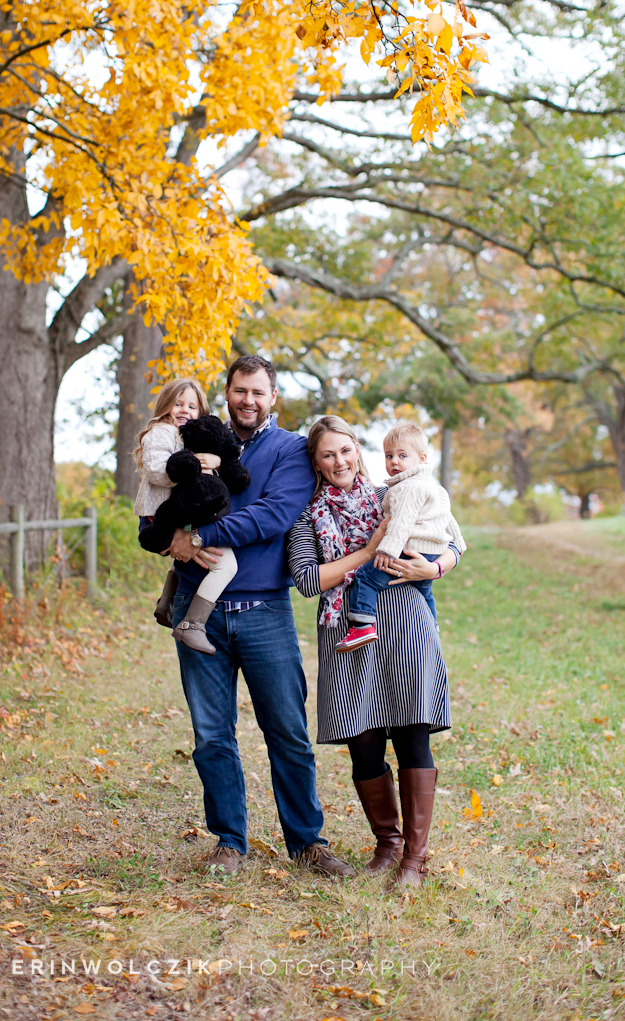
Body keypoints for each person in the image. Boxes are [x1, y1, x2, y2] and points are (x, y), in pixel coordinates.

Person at [167, 356, 354, 879]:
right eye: (239, 390)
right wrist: (167, 537)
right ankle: (229, 841)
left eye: (258, 392)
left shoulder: (292, 449)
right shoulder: (195, 439)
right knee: (211, 733)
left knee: (287, 730)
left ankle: (307, 842)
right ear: (226, 392)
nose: (248, 400)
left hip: (264, 611)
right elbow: (162, 496)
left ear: (274, 398)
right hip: (195, 606)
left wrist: (200, 535)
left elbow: (274, 514)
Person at [288, 415, 462, 889]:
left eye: (346, 450)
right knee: (362, 741)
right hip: (347, 631)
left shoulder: (399, 491)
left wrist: (436, 569)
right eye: (328, 454)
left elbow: (454, 541)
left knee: (411, 733)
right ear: (317, 463)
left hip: (406, 622)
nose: (340, 460)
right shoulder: (306, 517)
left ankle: (415, 859)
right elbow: (307, 581)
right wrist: (368, 552)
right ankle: (387, 844)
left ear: (356, 451)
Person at [335, 420, 466, 652]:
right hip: (431, 553)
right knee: (425, 591)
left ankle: (362, 626)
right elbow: (449, 522)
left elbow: (400, 523)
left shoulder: (407, 488)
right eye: (389, 456)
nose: (394, 461)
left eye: (402, 456)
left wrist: (387, 550)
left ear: (422, 459)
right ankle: (432, 627)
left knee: (366, 578)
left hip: (407, 551)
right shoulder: (435, 488)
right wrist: (460, 545)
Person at [133, 378, 223, 633]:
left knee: (184, 552)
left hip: (175, 508)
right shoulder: (163, 430)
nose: (185, 410)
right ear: (165, 406)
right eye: (178, 403)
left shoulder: (186, 435)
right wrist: (192, 466)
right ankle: (194, 622)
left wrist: (213, 460)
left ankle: (166, 600)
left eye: (192, 406)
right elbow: (157, 471)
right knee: (223, 564)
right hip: (165, 508)